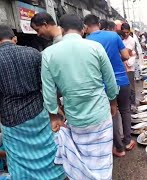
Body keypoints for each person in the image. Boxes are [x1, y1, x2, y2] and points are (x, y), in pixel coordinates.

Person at [41, 14, 119, 179]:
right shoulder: (96, 47)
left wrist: (53, 116)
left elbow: (48, 91)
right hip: (100, 115)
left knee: (83, 161)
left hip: (75, 118)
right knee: (103, 162)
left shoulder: (48, 54)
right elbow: (110, 81)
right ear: (83, 29)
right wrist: (113, 103)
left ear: (61, 30)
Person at [0, 25, 65, 179]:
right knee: (48, 148)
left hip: (11, 118)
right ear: (14, 39)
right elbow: (47, 86)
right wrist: (54, 110)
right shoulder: (33, 53)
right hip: (38, 111)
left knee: (19, 158)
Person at [84, 14, 136, 157]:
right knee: (125, 110)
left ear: (85, 27)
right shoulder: (114, 36)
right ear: (99, 25)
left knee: (111, 113)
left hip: (103, 84)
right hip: (121, 80)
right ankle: (127, 141)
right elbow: (126, 56)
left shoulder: (86, 41)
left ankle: (119, 148)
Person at [121, 23, 137, 110]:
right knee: (125, 86)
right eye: (124, 32)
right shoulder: (121, 39)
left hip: (129, 66)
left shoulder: (131, 40)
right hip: (123, 66)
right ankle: (128, 104)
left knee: (131, 86)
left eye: (127, 32)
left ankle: (133, 104)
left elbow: (127, 53)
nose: (126, 34)